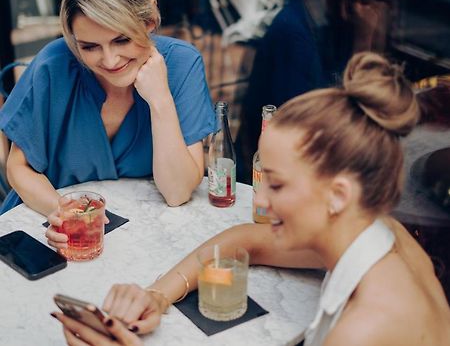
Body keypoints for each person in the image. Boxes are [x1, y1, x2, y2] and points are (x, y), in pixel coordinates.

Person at [52, 52, 450, 345]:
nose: (261, 202)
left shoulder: (365, 331)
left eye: (276, 185)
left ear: (338, 194)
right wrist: (158, 295)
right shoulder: (377, 232)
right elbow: (244, 239)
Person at [0, 0, 216, 221]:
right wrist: (68, 215)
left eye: (121, 40)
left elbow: (177, 192)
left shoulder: (183, 64)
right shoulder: (51, 66)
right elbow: (18, 168)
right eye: (89, 46)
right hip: (47, 223)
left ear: (149, 20)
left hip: (144, 231)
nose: (110, 60)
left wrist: (160, 100)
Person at [236, 0, 423, 182]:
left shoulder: (358, 15)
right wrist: (365, 46)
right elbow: (322, 133)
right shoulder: (299, 31)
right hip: (281, 178)